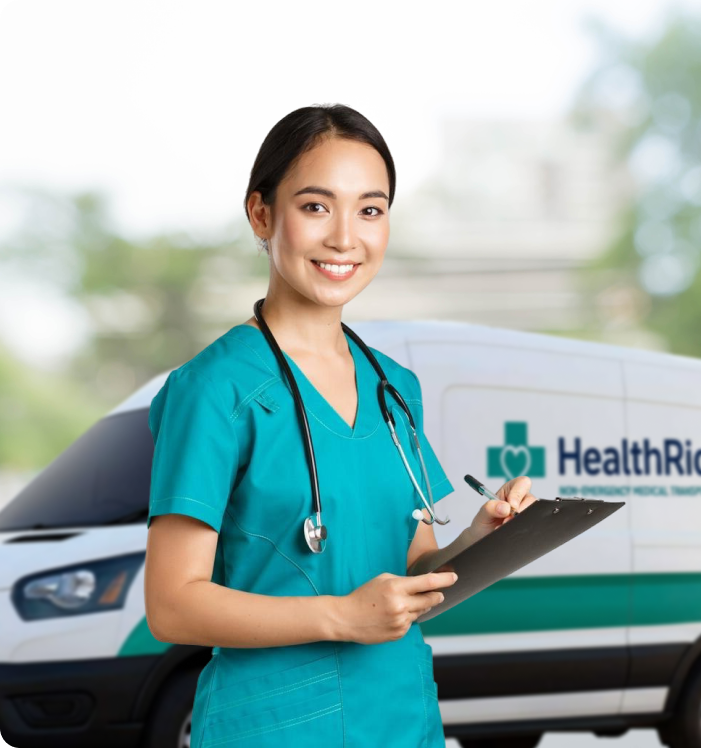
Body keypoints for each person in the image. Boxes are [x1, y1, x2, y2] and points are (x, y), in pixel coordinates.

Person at [144, 103, 537, 748]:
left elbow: (411, 577)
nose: (345, 238)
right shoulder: (214, 389)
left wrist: (478, 536)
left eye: (371, 209)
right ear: (262, 214)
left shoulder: (392, 387)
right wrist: (343, 617)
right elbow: (172, 604)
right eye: (317, 206)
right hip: (275, 726)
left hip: (402, 715)